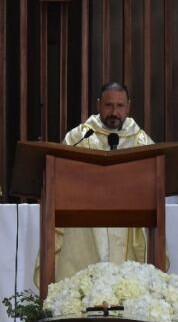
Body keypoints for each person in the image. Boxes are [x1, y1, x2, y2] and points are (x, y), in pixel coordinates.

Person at [55, 82, 155, 281]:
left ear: (128, 106)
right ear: (99, 105)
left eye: (120, 106)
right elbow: (61, 176)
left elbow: (153, 182)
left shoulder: (141, 141)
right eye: (109, 105)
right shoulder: (79, 137)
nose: (114, 112)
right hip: (85, 222)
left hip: (127, 220)